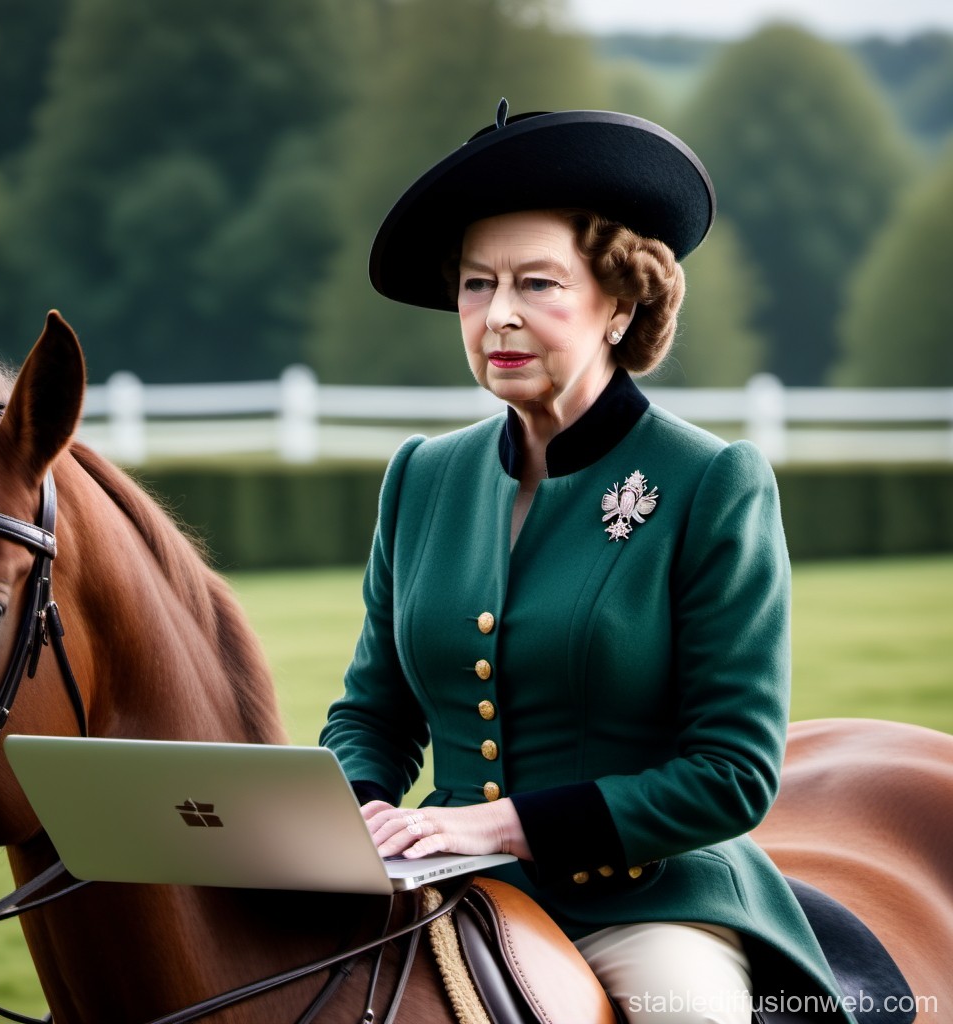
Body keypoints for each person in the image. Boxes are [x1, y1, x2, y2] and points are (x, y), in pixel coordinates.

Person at [320, 102, 854, 1023]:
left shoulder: (711, 483)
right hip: (446, 881)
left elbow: (732, 772)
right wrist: (364, 809)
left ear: (618, 302)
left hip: (646, 900)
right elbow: (371, 712)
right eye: (477, 285)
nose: (500, 317)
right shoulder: (420, 476)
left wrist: (493, 825)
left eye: (538, 284)